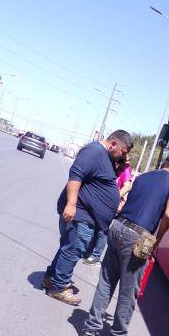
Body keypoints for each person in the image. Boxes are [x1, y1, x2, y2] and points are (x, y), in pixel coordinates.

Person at [78, 156, 169, 336]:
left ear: (163, 166)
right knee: (128, 290)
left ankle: (90, 330)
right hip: (138, 236)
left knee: (106, 282)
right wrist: (157, 238)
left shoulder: (143, 177)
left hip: (117, 226)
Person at [43, 130, 133, 305]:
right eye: (123, 151)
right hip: (80, 213)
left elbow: (100, 181)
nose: (124, 156)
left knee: (68, 248)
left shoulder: (105, 157)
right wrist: (71, 204)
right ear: (113, 143)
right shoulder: (94, 151)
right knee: (72, 250)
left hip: (85, 214)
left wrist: (119, 167)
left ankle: (51, 278)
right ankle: (58, 287)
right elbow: (76, 175)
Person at [82, 159, 134, 265]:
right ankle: (88, 251)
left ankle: (96, 255)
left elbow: (127, 186)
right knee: (94, 225)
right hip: (100, 201)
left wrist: (114, 198)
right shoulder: (110, 164)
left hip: (109, 204)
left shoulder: (125, 169)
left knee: (102, 229)